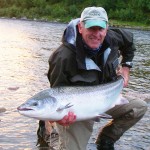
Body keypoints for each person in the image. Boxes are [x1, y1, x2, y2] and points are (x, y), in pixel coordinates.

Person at [37, 7, 147, 150]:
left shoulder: (113, 38)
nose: (96, 34)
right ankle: (48, 132)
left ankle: (106, 139)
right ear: (80, 27)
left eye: (100, 29)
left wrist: (126, 68)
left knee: (138, 107)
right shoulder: (62, 57)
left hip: (106, 97)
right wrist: (58, 117)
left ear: (106, 29)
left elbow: (129, 44)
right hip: (78, 109)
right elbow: (57, 94)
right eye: (91, 28)